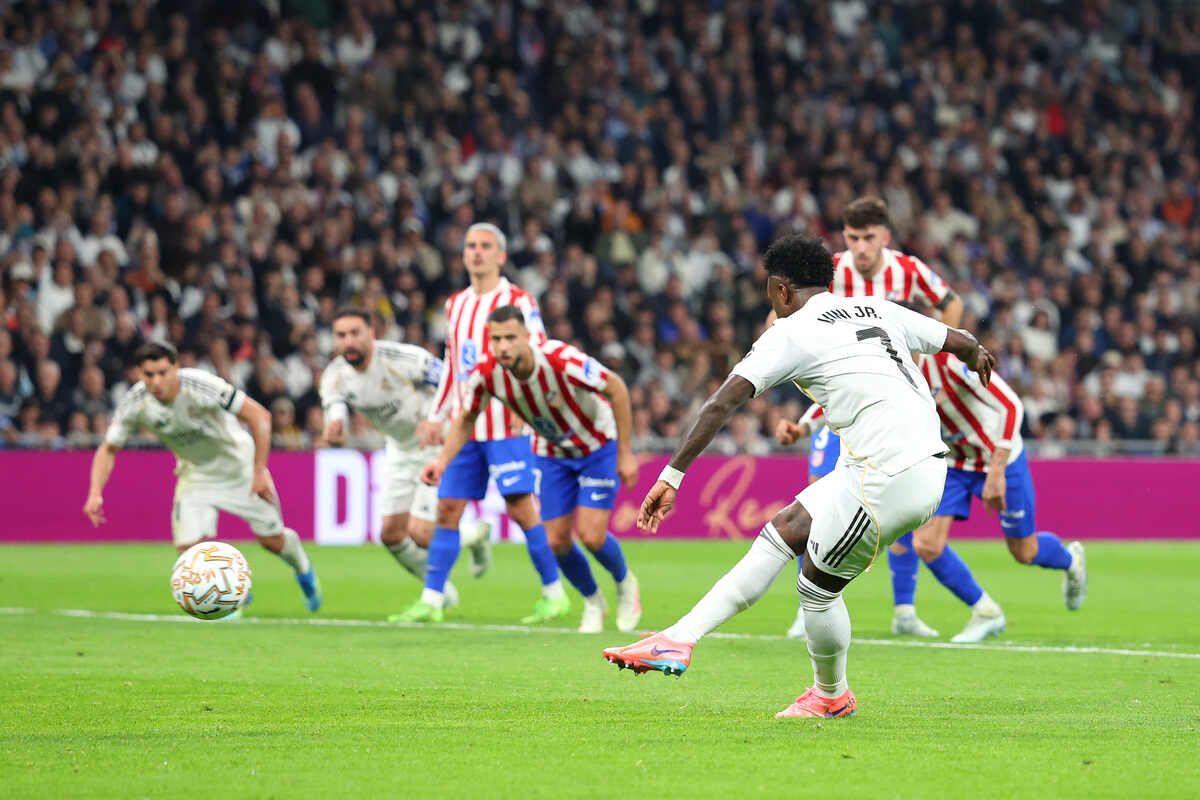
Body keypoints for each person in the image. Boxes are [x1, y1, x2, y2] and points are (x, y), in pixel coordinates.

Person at [602, 235, 996, 719]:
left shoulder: (790, 331)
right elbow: (960, 341)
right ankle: (679, 638)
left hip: (888, 475)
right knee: (786, 529)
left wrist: (672, 476)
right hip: (899, 462)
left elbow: (721, 403)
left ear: (781, 290)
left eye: (770, 293)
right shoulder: (876, 308)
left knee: (817, 587)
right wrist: (978, 356)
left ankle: (831, 696)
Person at [775, 196, 968, 640]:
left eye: (868, 238)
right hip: (841, 401)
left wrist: (931, 359)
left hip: (894, 404)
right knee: (817, 502)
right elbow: (784, 314)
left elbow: (951, 304)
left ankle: (904, 610)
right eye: (853, 238)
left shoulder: (909, 269)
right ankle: (807, 605)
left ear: (885, 237)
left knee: (897, 511)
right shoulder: (831, 271)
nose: (860, 247)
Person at [421, 305, 642, 633]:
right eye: (496, 339)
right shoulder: (487, 373)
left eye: (511, 338)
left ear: (527, 336)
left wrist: (625, 452)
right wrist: (441, 462)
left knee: (592, 536)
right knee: (557, 541)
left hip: (597, 446)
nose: (503, 346)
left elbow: (617, 388)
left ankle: (625, 584)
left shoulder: (560, 359)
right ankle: (593, 601)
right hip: (551, 452)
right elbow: (466, 418)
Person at [398, 223, 565, 624]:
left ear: (501, 256)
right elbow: (452, 365)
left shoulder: (519, 300)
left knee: (521, 508)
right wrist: (436, 415)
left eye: (486, 246)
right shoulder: (455, 304)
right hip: (465, 426)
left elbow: (539, 354)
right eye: (471, 245)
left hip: (507, 424)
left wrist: (529, 405)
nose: (477, 252)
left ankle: (554, 593)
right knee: (447, 508)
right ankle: (432, 600)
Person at [83, 341, 321, 613]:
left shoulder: (201, 385)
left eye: (163, 373)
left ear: (176, 368)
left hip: (239, 470)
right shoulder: (135, 402)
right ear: (139, 373)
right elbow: (108, 448)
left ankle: (303, 569)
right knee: (189, 552)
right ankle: (231, 596)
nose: (157, 381)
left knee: (272, 541)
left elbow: (260, 417)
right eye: (149, 375)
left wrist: (258, 471)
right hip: (196, 476)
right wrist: (95, 492)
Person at [909, 323, 1087, 641]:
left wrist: (996, 471)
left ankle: (1070, 560)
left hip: (999, 457)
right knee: (926, 543)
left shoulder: (948, 363)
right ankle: (986, 611)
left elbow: (1011, 405)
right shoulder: (892, 375)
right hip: (955, 463)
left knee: (1024, 551)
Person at [318, 307, 492, 619]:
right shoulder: (334, 376)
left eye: (355, 333)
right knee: (391, 534)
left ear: (371, 333)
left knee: (422, 533)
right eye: (341, 335)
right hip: (399, 449)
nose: (349, 341)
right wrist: (335, 426)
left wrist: (436, 417)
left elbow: (454, 384)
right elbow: (336, 409)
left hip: (436, 443)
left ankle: (451, 568)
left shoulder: (406, 359)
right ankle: (453, 571)